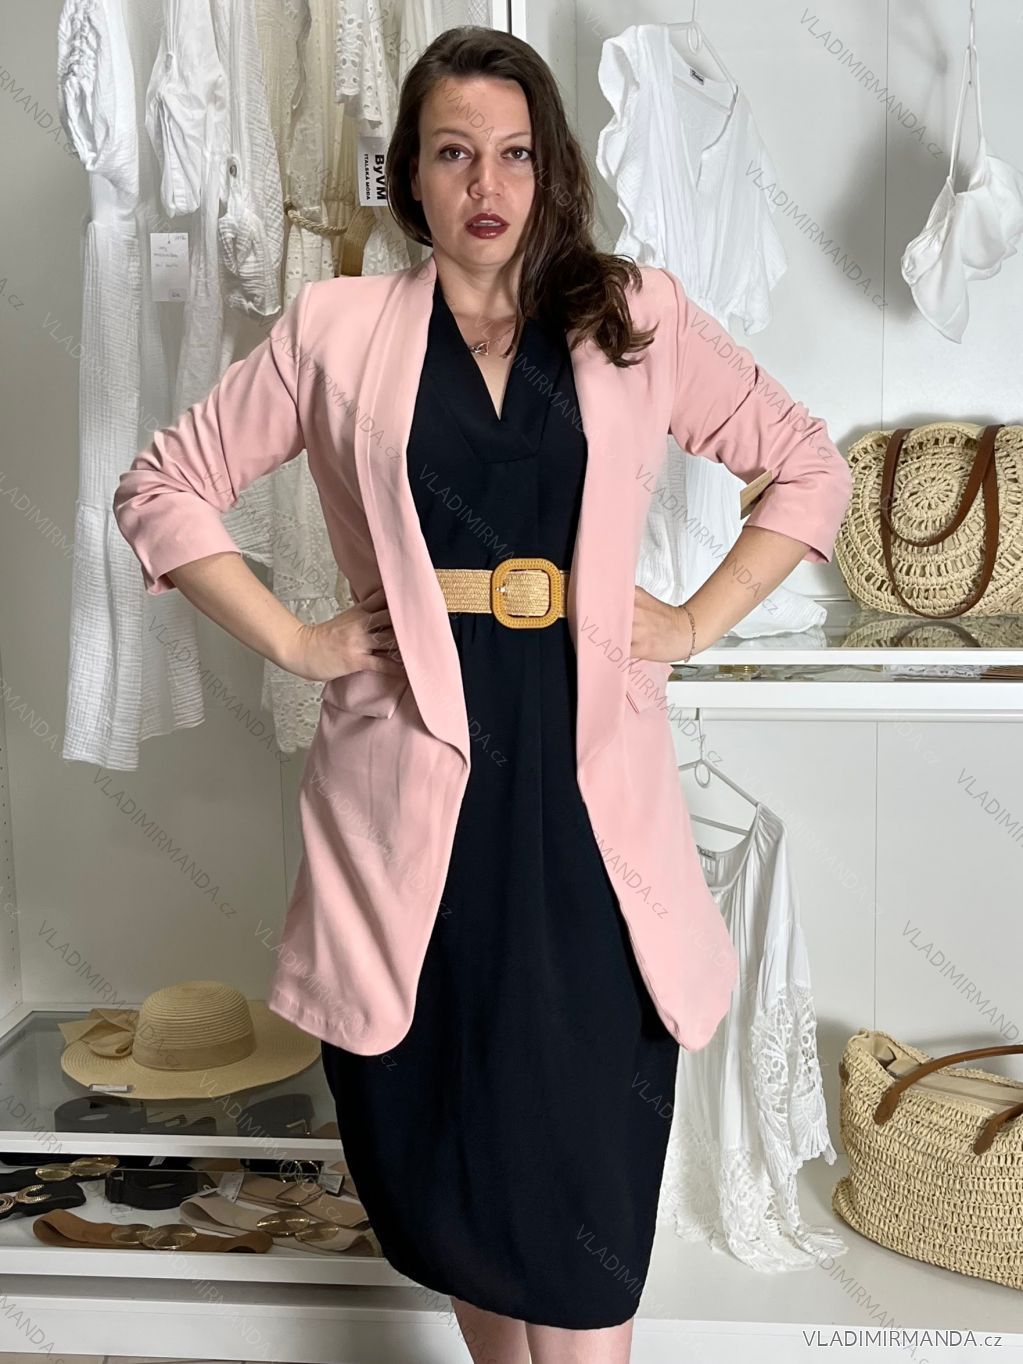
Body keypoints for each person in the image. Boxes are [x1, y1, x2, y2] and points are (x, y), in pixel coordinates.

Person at [113, 25, 852, 1364]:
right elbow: (162, 486)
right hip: (417, 814)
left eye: (514, 153)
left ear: (550, 167)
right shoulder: (338, 328)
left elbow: (809, 463)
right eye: (454, 154)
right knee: (462, 1172)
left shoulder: (634, 315)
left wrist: (692, 620)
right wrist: (295, 642)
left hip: (587, 817)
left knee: (584, 1203)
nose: (487, 184)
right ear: (412, 172)